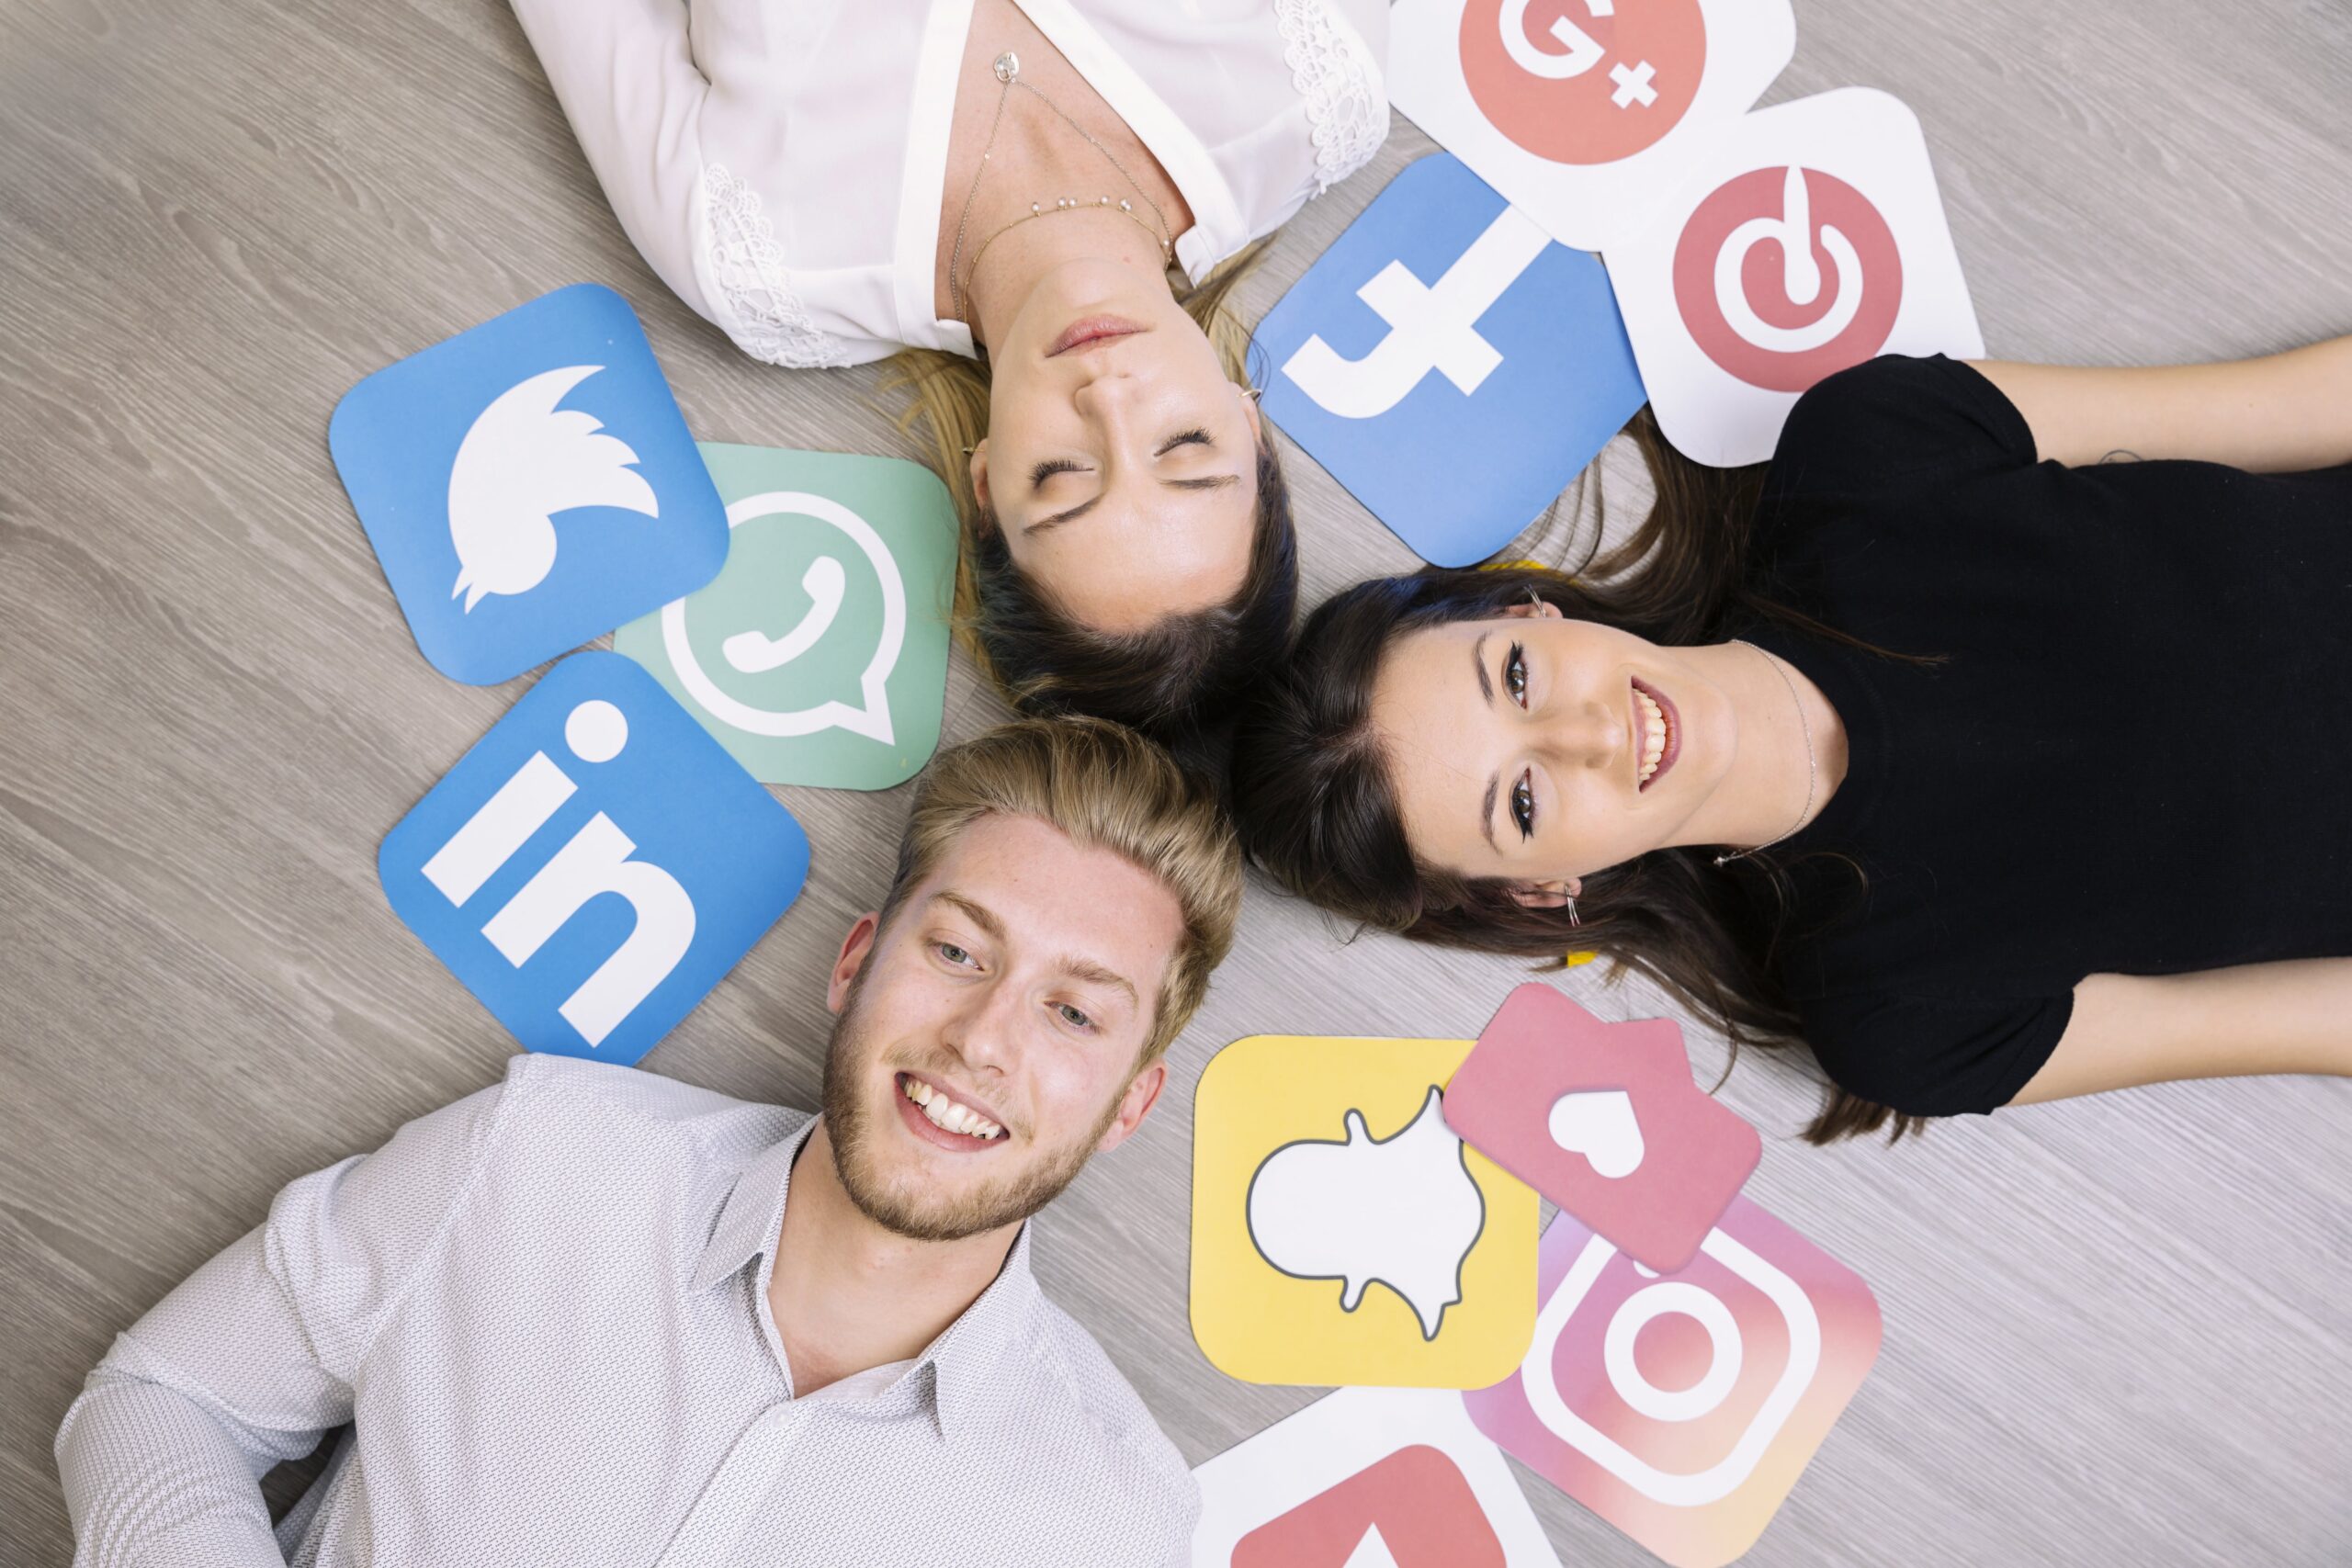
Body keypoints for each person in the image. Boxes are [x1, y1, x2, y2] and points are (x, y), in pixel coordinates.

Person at [56, 716, 1242, 1565]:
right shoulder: (537, 1156)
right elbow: (166, 1394)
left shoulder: (1110, 1527)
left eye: (1072, 1010)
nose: (984, 1036)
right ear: (854, 961)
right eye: (957, 951)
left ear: (1131, 1103)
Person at [1230, 344, 2352, 1142]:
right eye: (1519, 803)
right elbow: (2311, 1019)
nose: (1584, 734)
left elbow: (2293, 407)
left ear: (1528, 612)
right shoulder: (1903, 1016)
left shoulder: (1870, 452)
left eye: (1515, 680)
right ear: (1541, 889)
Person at [505, 0, 1391, 747]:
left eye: (1062, 476)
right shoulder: (1314, 85)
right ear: (1249, 420)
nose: (1108, 398)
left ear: (982, 486)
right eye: (1185, 447)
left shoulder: (766, 267)